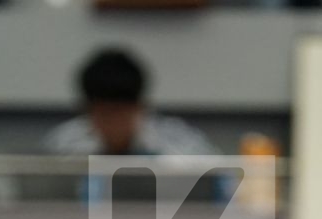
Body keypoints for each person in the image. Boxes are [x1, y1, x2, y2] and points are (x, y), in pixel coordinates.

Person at [41, 47, 216, 157]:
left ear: (140, 107)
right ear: (87, 111)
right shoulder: (62, 145)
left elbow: (222, 183)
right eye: (104, 114)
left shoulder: (179, 144)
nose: (113, 123)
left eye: (119, 112)